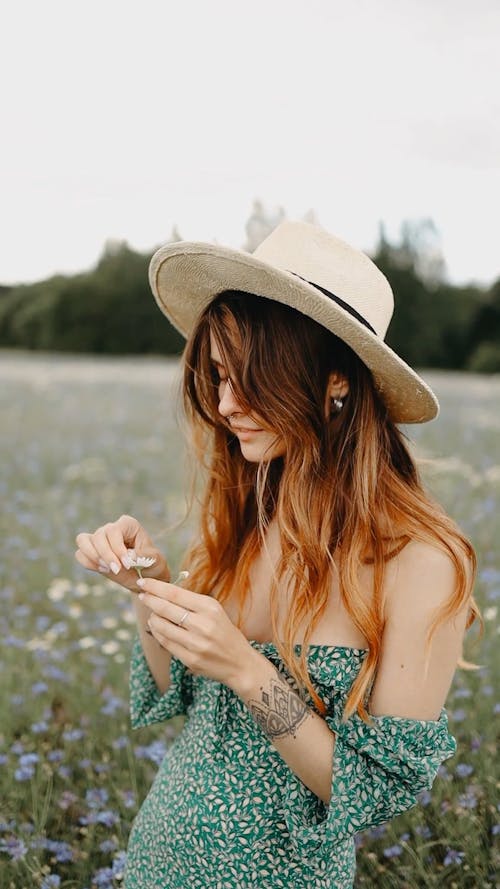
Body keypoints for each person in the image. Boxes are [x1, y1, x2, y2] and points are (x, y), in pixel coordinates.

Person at [74, 221, 481, 889]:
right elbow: (182, 695)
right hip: (158, 861)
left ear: (334, 379)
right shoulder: (246, 512)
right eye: (218, 376)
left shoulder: (422, 560)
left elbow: (372, 792)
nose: (227, 405)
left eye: (251, 377)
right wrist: (147, 586)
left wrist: (246, 668)